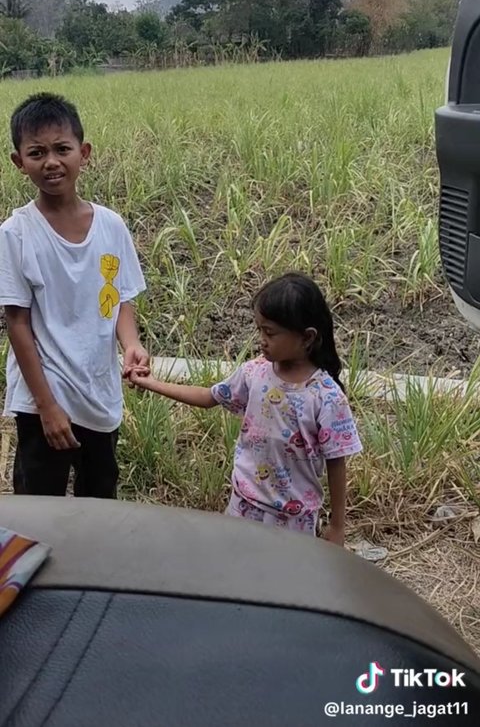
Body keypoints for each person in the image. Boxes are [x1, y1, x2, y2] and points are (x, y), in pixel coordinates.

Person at [129, 272, 362, 544]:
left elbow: (337, 461)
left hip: (293, 520)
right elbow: (209, 397)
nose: (261, 339)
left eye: (270, 332)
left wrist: (337, 526)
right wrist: (152, 383)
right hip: (243, 506)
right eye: (259, 329)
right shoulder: (255, 373)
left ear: (307, 338)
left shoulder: (326, 397)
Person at [0, 92, 149, 498]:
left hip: (99, 393)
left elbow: (119, 299)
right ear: (19, 162)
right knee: (40, 507)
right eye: (37, 152)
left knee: (100, 501)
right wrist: (47, 406)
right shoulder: (16, 234)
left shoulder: (111, 226)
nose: (51, 161)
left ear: (83, 153)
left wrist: (131, 343)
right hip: (42, 399)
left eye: (62, 149)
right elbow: (17, 323)